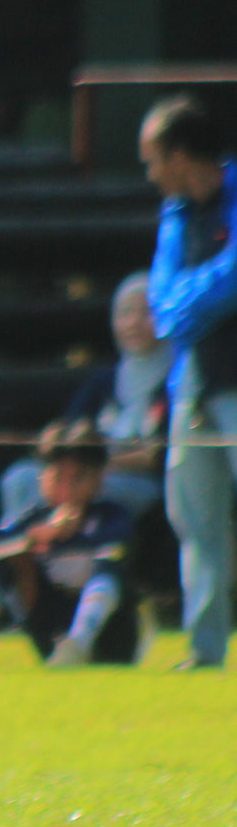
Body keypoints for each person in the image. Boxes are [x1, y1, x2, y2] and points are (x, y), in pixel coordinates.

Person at [138, 94, 237, 670]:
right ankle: (204, 652)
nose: (149, 173)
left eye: (153, 159)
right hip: (193, 386)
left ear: (179, 155)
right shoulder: (174, 215)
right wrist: (196, 306)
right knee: (195, 521)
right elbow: (161, 303)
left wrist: (186, 304)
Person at [0, 423, 142, 667]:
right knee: (0, 560)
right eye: (57, 477)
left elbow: (118, 539)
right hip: (49, 629)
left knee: (109, 560)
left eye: (78, 478)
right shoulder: (32, 521)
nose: (66, 489)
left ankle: (78, 643)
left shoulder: (110, 517)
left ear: (97, 480)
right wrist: (32, 538)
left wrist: (63, 537)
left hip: (110, 640)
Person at [0, 274, 170, 525]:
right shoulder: (103, 380)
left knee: (93, 490)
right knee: (20, 478)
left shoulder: (176, 381)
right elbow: (68, 433)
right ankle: (20, 546)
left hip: (135, 480)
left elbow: (157, 456)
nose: (133, 323)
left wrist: (97, 464)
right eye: (125, 313)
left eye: (147, 312)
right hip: (83, 472)